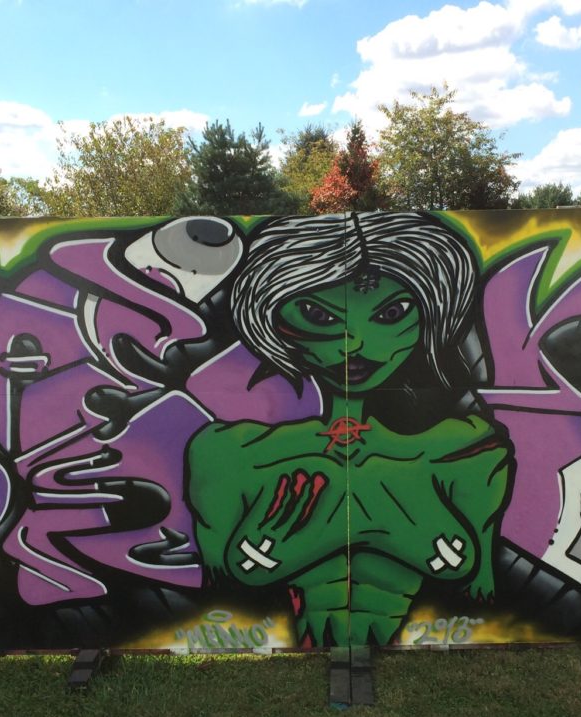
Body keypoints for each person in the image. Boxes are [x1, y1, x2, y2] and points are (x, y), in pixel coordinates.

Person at [186, 212, 512, 646]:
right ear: (270, 318)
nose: (353, 343)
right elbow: (220, 588)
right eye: (316, 314)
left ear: (431, 315)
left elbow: (478, 581)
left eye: (392, 312)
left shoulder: (470, 450)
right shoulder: (227, 453)